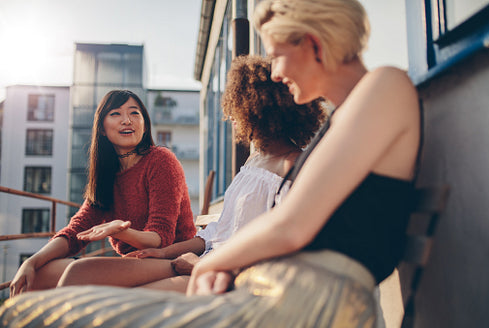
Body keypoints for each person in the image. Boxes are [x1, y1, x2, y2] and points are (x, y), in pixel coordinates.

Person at [0, 1, 420, 328]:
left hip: (307, 302)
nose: (274, 71)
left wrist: (214, 263)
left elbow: (292, 224)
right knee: (47, 308)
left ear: (313, 43)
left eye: (276, 54)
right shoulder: (343, 120)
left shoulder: (384, 86)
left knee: (37, 318)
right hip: (277, 289)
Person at [55, 55, 326, 292]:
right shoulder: (255, 160)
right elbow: (216, 233)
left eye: (236, 106)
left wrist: (199, 265)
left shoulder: (291, 167)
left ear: (259, 109)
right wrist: (163, 252)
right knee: (79, 273)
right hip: (196, 259)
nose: (231, 116)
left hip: (218, 273)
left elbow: (280, 252)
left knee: (116, 299)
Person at [8, 90, 197, 297]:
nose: (127, 120)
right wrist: (31, 261)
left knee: (78, 272)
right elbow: (75, 232)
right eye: (116, 114)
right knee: (40, 273)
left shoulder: (161, 160)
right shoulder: (107, 175)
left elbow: (160, 238)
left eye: (134, 113)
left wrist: (118, 232)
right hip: (135, 263)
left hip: (172, 259)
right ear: (102, 129)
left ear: (145, 123)